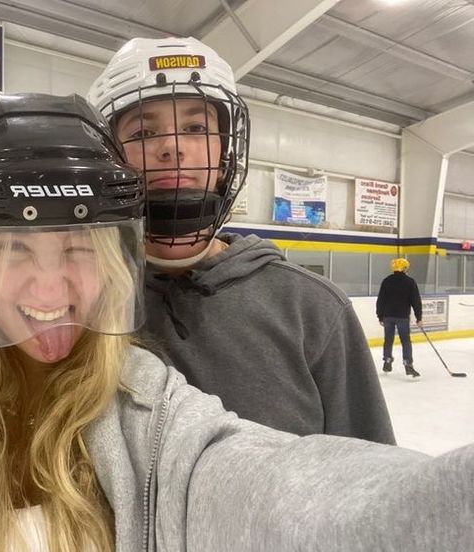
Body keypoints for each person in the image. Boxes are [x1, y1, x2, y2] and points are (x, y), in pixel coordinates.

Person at [0, 91, 474, 551]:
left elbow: (282, 494)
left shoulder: (144, 412)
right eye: (12, 247)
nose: (51, 285)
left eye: (78, 246)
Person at [86, 37, 396, 443]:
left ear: (225, 149)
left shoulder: (312, 309)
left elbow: (368, 476)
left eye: (196, 127)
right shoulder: (81, 298)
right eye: (144, 132)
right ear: (111, 156)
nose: (173, 148)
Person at [376, 257, 423, 377]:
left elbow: (380, 300)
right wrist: (419, 317)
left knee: (388, 339)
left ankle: (387, 360)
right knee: (405, 341)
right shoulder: (410, 282)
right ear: (404, 268)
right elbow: (416, 301)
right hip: (402, 316)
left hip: (388, 316)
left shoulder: (386, 281)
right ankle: (408, 365)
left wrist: (380, 316)